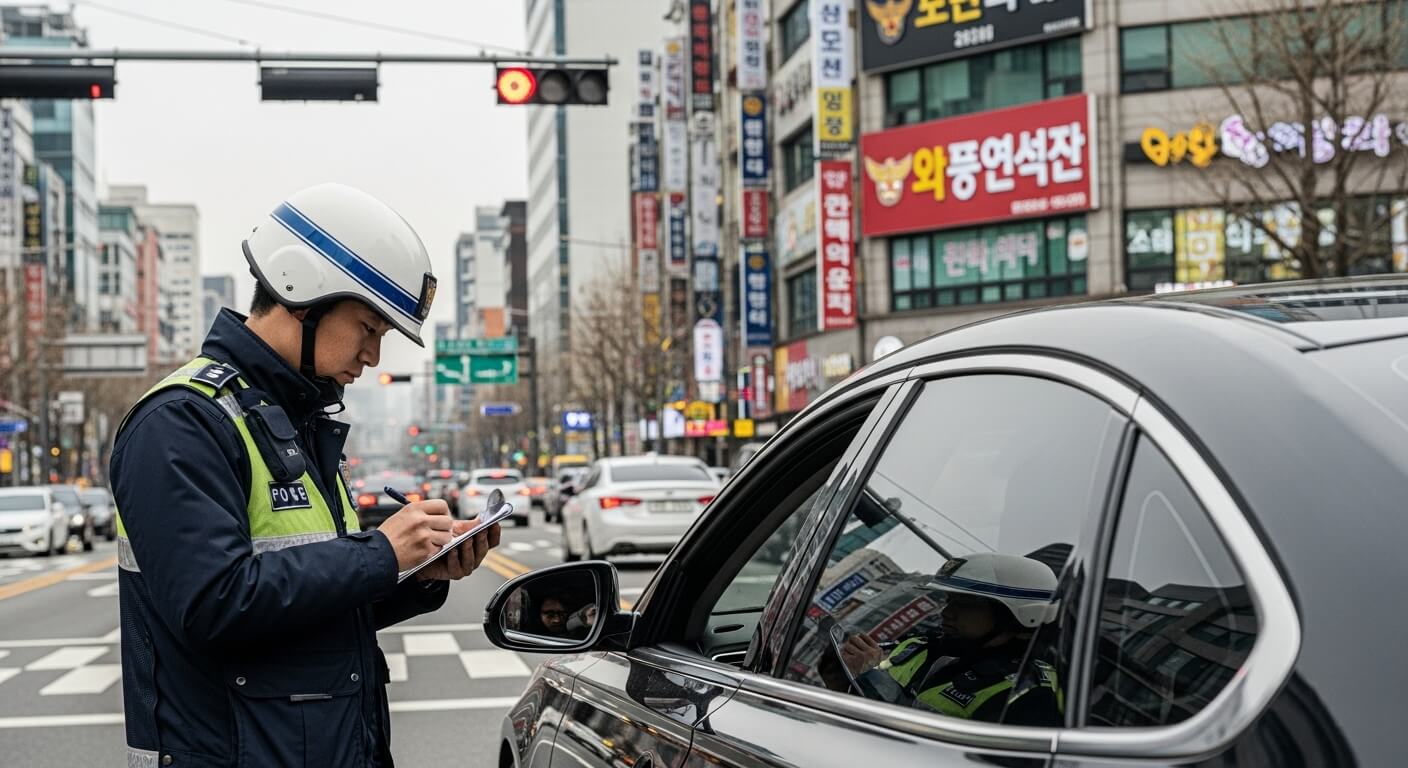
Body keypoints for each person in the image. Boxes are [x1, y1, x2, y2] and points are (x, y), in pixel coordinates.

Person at [111, 183, 502, 768]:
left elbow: (311, 606)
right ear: (303, 293)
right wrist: (379, 553)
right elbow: (212, 603)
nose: (373, 356)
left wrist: (417, 571)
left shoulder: (291, 422)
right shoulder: (181, 422)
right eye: (368, 328)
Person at [836, 553, 1063, 727]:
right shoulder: (917, 647)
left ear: (1018, 618)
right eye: (948, 600)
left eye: (964, 603)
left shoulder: (1028, 698)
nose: (946, 612)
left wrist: (872, 678)